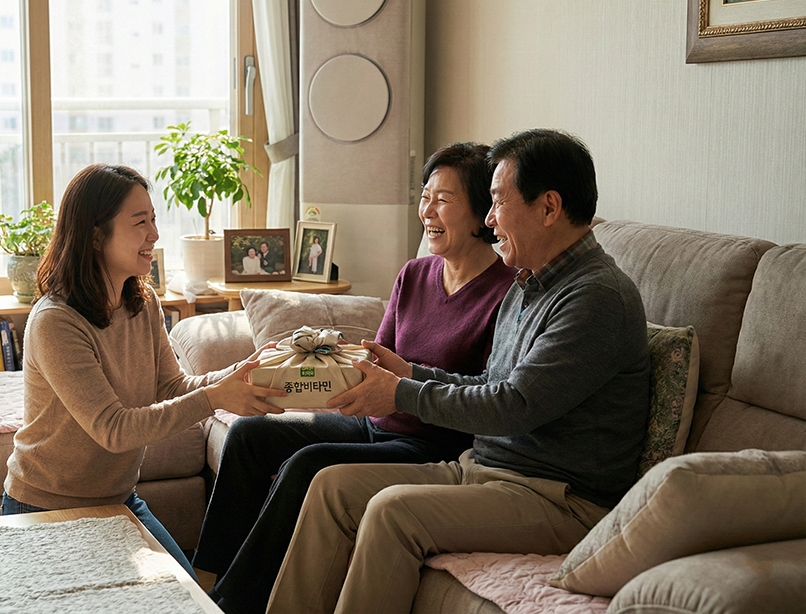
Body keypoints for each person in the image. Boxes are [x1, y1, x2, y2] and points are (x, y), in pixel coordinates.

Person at [267, 129, 651, 614]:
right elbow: (491, 385)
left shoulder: (596, 298)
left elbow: (515, 405)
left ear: (549, 207)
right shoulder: (530, 283)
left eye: (496, 203)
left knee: (392, 512)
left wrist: (401, 393)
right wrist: (409, 371)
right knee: (331, 486)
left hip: (560, 500)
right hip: (486, 471)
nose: (489, 221)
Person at [193, 142, 517, 614]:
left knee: (309, 464)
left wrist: (396, 393)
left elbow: (487, 394)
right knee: (249, 434)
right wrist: (305, 369)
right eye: (425, 196)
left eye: (442, 200)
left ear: (482, 213)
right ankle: (205, 582)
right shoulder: (414, 274)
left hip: (434, 444)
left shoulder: (505, 293)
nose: (427, 211)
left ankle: (233, 603)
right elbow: (374, 360)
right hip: (375, 424)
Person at [1, 164, 286, 581]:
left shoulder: (143, 301)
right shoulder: (56, 322)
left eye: (154, 220)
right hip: (46, 506)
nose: (154, 234)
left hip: (119, 499)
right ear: (96, 235)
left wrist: (235, 377)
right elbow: (113, 430)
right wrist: (213, 398)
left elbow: (170, 386)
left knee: (190, 599)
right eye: (140, 222)